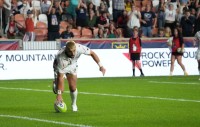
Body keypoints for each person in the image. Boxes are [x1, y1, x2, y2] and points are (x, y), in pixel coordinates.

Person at [52, 41, 106, 111]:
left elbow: (92, 53)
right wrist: (59, 95)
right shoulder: (60, 57)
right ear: (66, 50)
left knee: (73, 87)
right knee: (60, 90)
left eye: (74, 51)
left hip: (72, 65)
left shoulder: (80, 48)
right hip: (60, 66)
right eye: (70, 52)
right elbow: (60, 77)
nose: (73, 53)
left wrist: (101, 66)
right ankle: (56, 86)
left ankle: (74, 104)